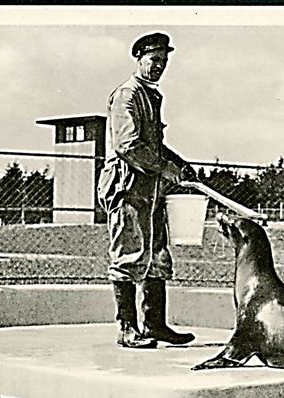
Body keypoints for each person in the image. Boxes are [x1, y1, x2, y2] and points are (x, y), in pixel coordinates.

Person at [98, 32, 198, 348]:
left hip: (152, 192)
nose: (159, 67)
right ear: (139, 59)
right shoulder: (127, 95)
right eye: (154, 60)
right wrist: (167, 168)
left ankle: (155, 325)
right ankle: (127, 328)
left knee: (158, 257)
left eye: (164, 62)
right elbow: (128, 145)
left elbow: (155, 144)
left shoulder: (152, 96)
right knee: (128, 256)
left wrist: (179, 163)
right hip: (127, 189)